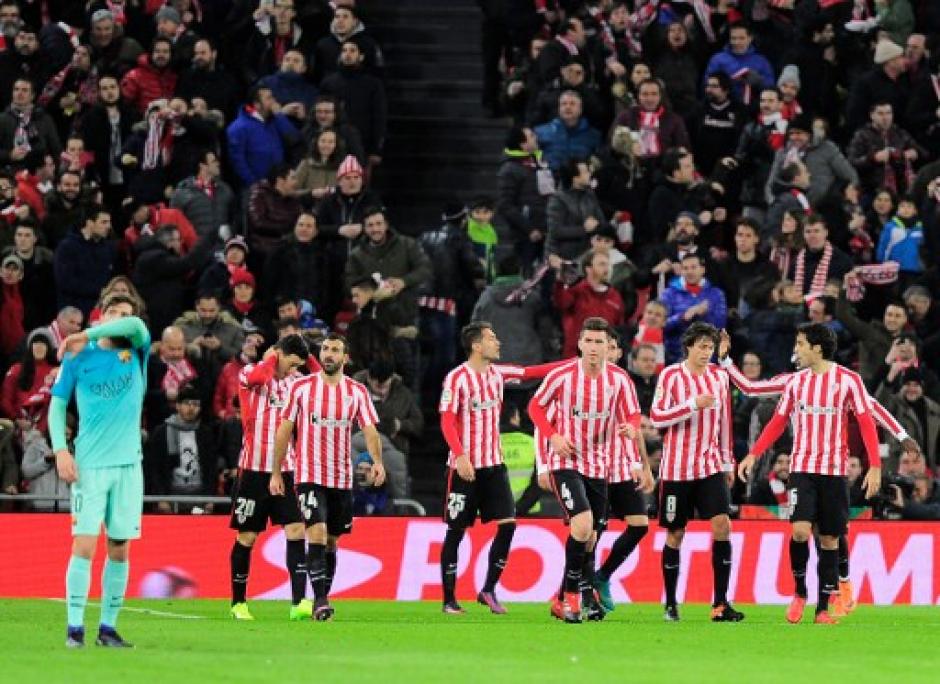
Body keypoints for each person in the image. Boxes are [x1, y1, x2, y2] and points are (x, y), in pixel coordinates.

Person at [740, 324, 883, 624]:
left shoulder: (848, 380)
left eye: (801, 344)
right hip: (802, 469)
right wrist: (753, 453)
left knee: (830, 539)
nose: (797, 350)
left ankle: (822, 609)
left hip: (833, 471)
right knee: (800, 532)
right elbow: (778, 421)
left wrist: (875, 466)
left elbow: (867, 423)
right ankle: (800, 592)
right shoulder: (796, 383)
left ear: (818, 348)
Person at [50, 294, 150, 648]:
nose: (124, 319)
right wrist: (61, 450)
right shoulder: (78, 357)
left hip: (129, 466)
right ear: (102, 315)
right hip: (90, 466)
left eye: (127, 313)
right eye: (115, 313)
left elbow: (136, 326)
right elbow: (57, 406)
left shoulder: (137, 350)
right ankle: (74, 628)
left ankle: (107, 628)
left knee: (119, 547)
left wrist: (87, 333)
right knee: (85, 545)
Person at [528, 317, 642, 624]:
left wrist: (631, 429)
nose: (593, 348)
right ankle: (573, 598)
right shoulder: (562, 376)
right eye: (588, 341)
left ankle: (563, 597)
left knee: (590, 536)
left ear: (609, 347)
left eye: (599, 342)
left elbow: (632, 412)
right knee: (582, 523)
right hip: (565, 461)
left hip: (598, 464)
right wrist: (553, 437)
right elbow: (535, 407)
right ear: (579, 344)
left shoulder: (619, 380)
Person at [438, 321, 553, 615]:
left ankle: (488, 589)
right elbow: (447, 421)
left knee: (508, 524)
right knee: (456, 531)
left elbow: (530, 373)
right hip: (465, 468)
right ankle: (449, 600)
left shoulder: (497, 374)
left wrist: (573, 363)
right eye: (491, 338)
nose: (497, 342)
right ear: (476, 346)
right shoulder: (456, 379)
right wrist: (460, 456)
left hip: (494, 466)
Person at [269, 333, 385, 622]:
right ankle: (320, 601)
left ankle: (323, 596)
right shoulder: (301, 388)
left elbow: (370, 430)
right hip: (309, 473)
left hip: (342, 477)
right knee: (316, 533)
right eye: (325, 349)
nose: (329, 354)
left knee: (332, 541)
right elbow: (284, 429)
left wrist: (378, 463)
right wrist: (276, 470)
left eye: (335, 350)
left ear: (345, 358)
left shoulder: (356, 391)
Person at [649, 322, 742, 623]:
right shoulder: (671, 376)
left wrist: (728, 463)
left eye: (710, 347)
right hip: (676, 469)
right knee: (675, 533)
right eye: (701, 346)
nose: (706, 352)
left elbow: (725, 422)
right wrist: (691, 405)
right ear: (688, 346)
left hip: (710, 465)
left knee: (722, 527)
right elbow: (657, 417)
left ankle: (720, 603)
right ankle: (671, 604)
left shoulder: (719, 377)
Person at [228, 334, 313, 621]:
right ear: (279, 354)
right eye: (291, 362)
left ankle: (299, 602)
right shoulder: (249, 372)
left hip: (287, 469)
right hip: (253, 469)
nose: (293, 369)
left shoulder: (295, 382)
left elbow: (318, 376)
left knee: (296, 530)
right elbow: (261, 375)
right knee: (248, 536)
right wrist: (274, 357)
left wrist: (303, 354)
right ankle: (238, 603)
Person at [591, 334, 655, 613]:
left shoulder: (624, 381)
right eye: (609, 346)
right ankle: (578, 589)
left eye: (616, 347)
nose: (612, 351)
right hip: (596, 466)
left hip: (623, 467)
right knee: (592, 532)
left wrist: (644, 466)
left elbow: (635, 425)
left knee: (639, 524)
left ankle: (601, 576)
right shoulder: (585, 379)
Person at [144, 383, 218, 511]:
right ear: (177, 406)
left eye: (195, 405)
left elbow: (211, 468)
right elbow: (155, 468)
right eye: (187, 403)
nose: (191, 408)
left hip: (199, 494)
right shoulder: (161, 432)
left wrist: (210, 498)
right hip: (171, 493)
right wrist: (161, 498)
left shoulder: (205, 433)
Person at [661, 253, 728, 364]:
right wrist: (682, 317)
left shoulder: (716, 294)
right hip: (675, 356)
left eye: (693, 267)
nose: (689, 272)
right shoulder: (669, 294)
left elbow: (721, 326)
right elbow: (662, 325)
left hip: (707, 357)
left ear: (702, 269)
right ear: (681, 271)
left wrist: (705, 313)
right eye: (685, 268)